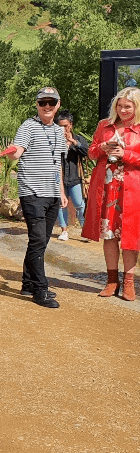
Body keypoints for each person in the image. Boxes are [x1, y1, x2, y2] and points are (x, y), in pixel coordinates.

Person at [8, 87, 69, 308]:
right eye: (43, 102)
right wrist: (12, 151)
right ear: (37, 104)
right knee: (37, 240)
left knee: (41, 241)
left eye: (51, 103)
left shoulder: (58, 132)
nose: (47, 106)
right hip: (32, 191)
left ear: (57, 105)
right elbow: (17, 152)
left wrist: (61, 192)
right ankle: (40, 290)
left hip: (52, 193)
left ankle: (27, 283)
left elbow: (58, 164)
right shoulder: (28, 126)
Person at [81, 86, 140, 301]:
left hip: (132, 190)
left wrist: (127, 154)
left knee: (129, 237)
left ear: (136, 107)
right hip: (107, 188)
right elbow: (91, 152)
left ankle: (129, 283)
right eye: (120, 105)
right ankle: (111, 281)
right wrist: (103, 147)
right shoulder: (104, 126)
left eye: (128, 106)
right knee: (109, 234)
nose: (123, 110)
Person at [55, 110, 89, 241]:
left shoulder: (79, 139)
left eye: (65, 125)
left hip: (75, 178)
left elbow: (87, 152)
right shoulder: (55, 140)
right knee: (61, 205)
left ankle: (84, 229)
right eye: (60, 126)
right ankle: (64, 231)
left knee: (80, 204)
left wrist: (74, 143)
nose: (63, 128)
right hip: (60, 179)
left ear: (71, 125)